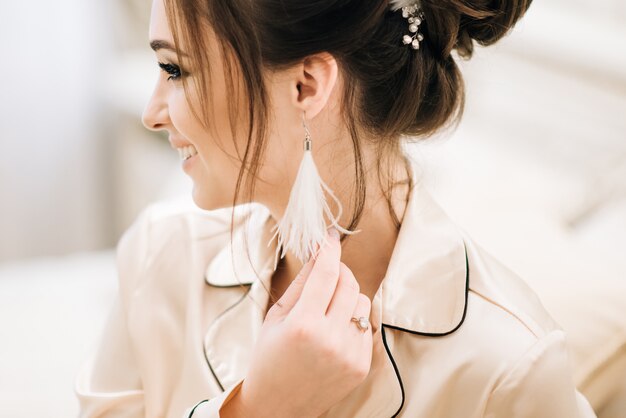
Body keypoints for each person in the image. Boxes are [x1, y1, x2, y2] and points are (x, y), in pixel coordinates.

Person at [74, 0, 598, 417]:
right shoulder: (156, 257)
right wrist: (258, 411)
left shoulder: (507, 365)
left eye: (175, 69)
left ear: (306, 86)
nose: (151, 113)